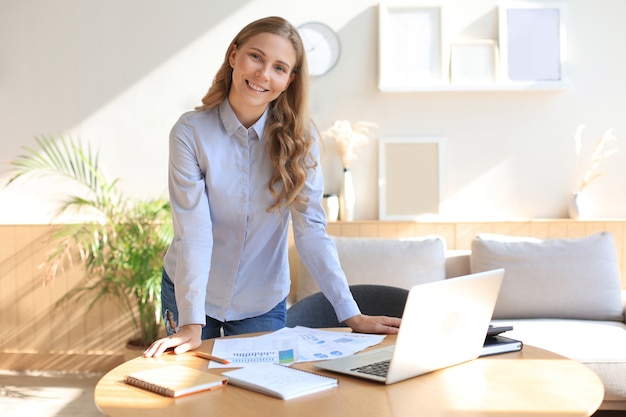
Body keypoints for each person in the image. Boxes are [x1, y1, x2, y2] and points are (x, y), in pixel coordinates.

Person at [144, 16, 401, 358]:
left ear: (289, 80)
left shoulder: (301, 139)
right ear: (234, 55)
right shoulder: (191, 133)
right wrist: (191, 323)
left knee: (258, 401)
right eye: (256, 57)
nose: (264, 74)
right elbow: (194, 232)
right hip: (192, 295)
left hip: (261, 301)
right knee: (195, 399)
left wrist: (350, 314)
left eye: (279, 67)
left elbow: (311, 230)